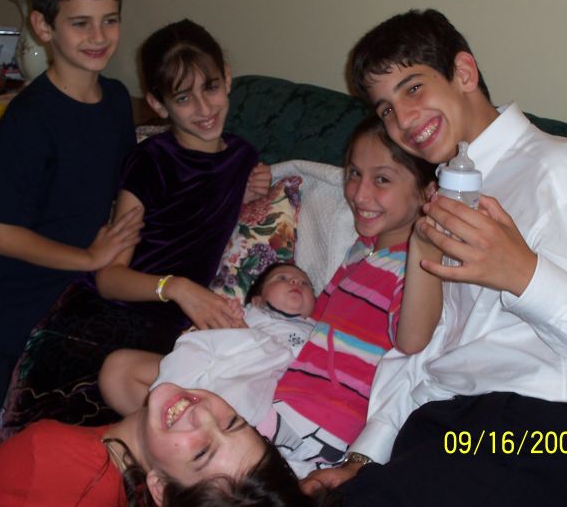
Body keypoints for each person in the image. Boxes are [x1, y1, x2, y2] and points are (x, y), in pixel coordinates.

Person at [302, 9, 567, 507]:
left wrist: (525, 276)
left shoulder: (558, 168)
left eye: (413, 88)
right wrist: (365, 455)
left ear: (464, 73)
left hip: (541, 431)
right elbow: (426, 348)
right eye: (385, 109)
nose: (402, 121)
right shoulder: (445, 194)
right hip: (440, 428)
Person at [99, 115, 440, 479]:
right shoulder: (361, 249)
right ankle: (171, 466)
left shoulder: (415, 264)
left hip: (310, 423)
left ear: (427, 192)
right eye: (354, 173)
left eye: (382, 179)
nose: (358, 194)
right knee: (120, 372)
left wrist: (426, 245)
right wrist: (242, 329)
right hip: (273, 387)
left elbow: (413, 341)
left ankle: (160, 468)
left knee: (146, 434)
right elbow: (309, 325)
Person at [0, 18, 271, 441]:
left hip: (169, 337)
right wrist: (176, 287)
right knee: (62, 449)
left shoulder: (243, 157)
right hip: (103, 320)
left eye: (211, 87)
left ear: (227, 79)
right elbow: (109, 277)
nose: (204, 108)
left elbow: (215, 213)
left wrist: (248, 195)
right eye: (183, 97)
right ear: (159, 105)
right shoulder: (152, 161)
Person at [0, 0, 141, 487]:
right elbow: (1, 235)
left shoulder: (116, 100)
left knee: (24, 452)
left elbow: (126, 179)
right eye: (80, 23)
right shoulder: (29, 118)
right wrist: (89, 256)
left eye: (109, 20)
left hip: (57, 300)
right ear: (43, 27)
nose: (98, 36)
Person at [0, 383, 317, 507]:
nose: (203, 414)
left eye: (202, 452)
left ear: (161, 488)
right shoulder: (123, 463)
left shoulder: (57, 459)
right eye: (232, 422)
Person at [100, 262, 317, 420]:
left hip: (253, 396)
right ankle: (165, 430)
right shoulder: (247, 314)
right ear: (257, 299)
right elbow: (208, 345)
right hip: (208, 378)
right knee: (117, 370)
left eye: (306, 284)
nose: (296, 282)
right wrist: (230, 326)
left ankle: (183, 434)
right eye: (281, 278)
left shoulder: (316, 331)